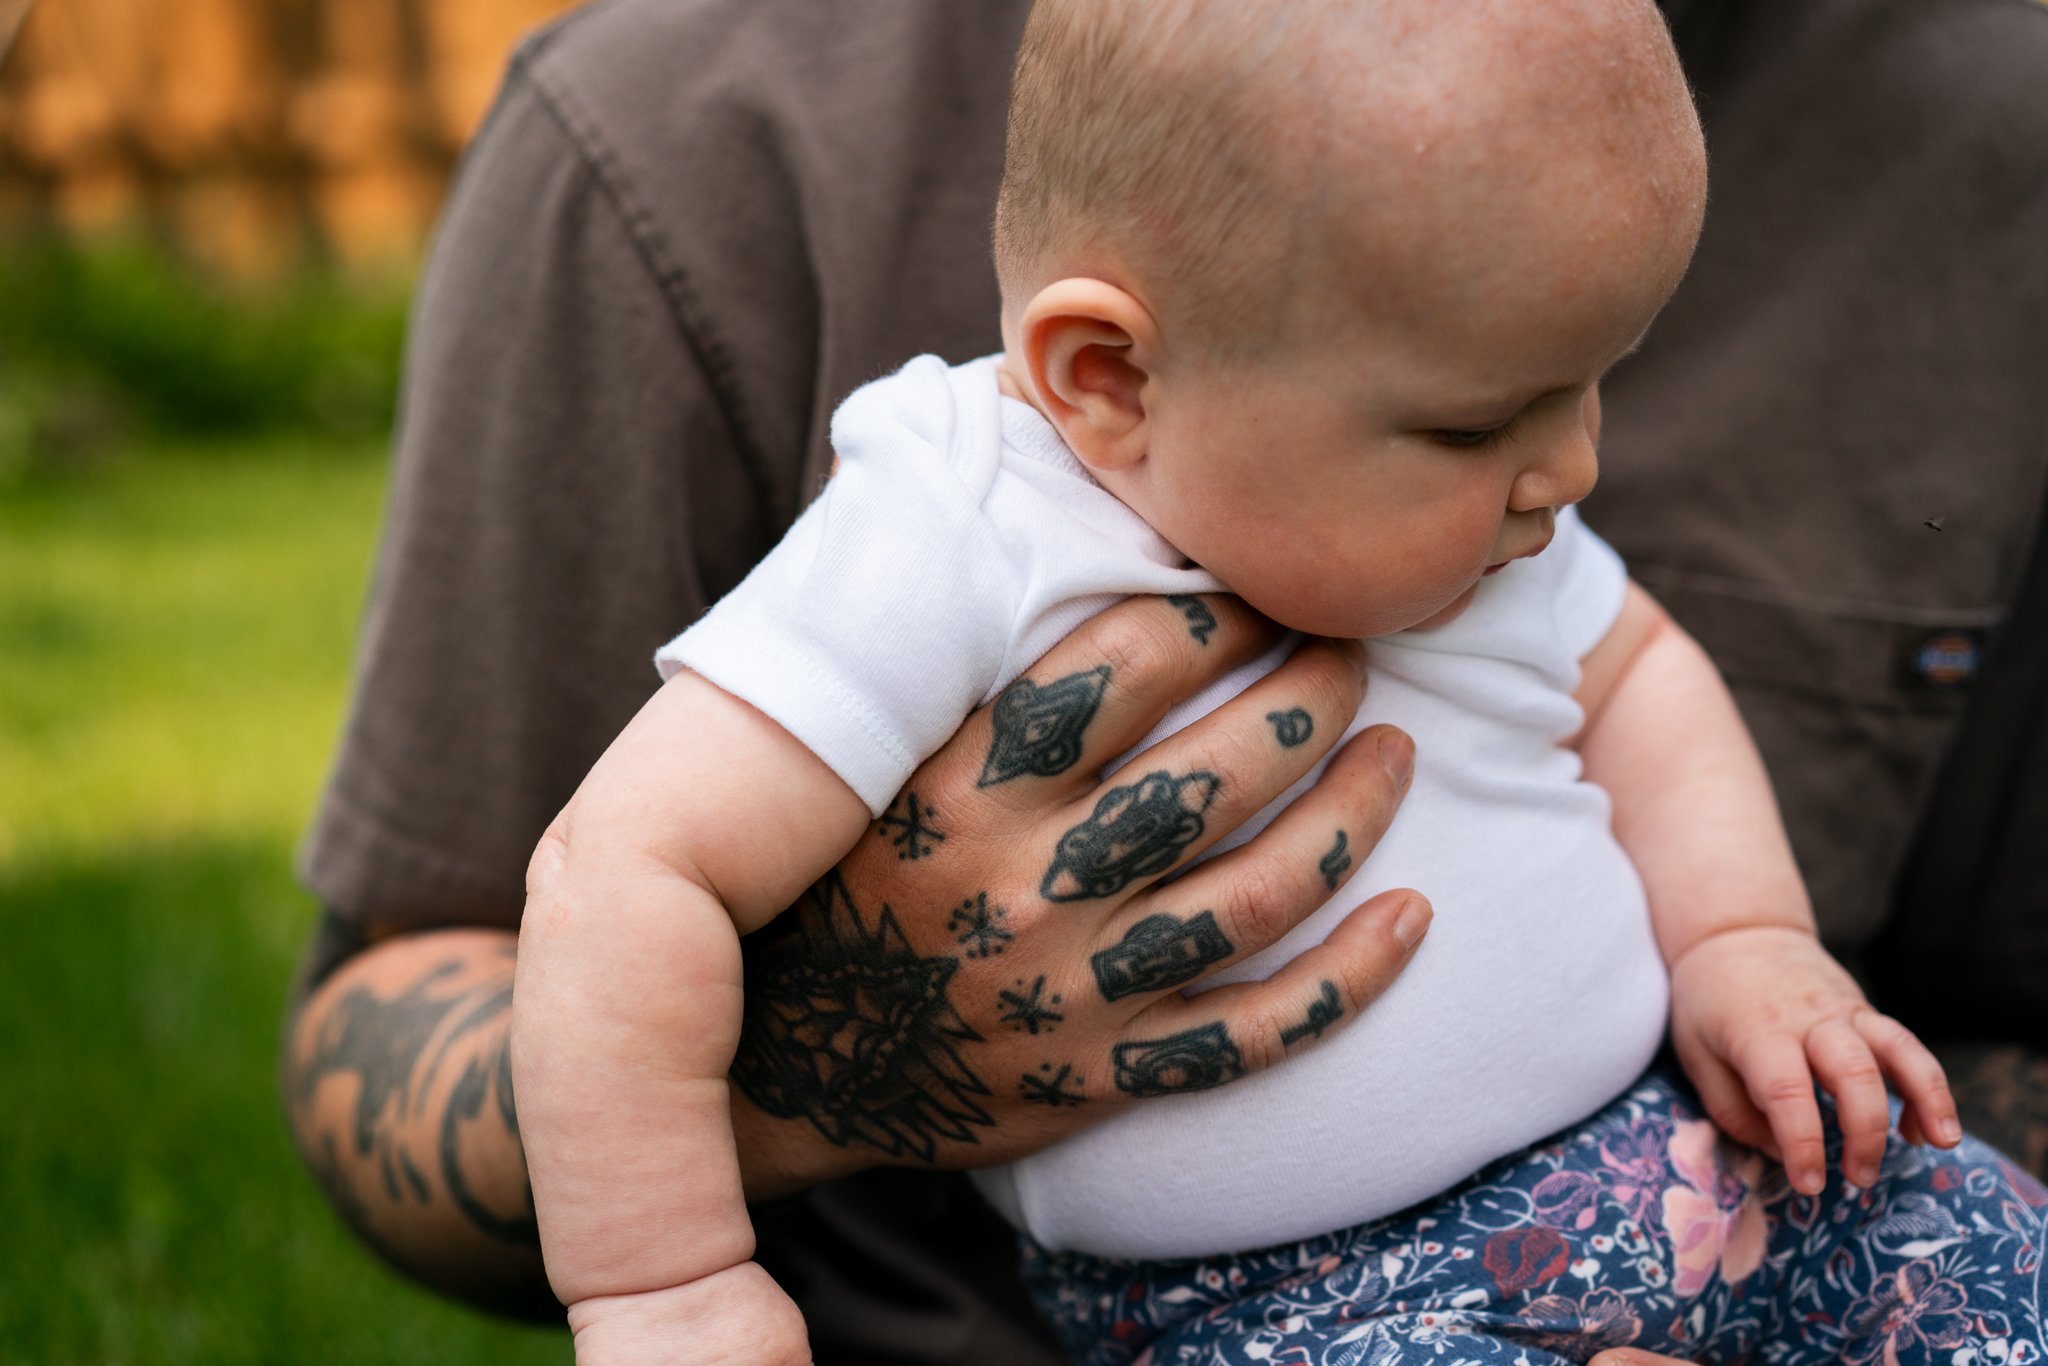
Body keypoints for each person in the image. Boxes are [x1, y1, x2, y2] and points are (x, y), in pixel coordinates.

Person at [285, 0, 2048, 1361]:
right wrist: (666, 1277)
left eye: (1594, 386)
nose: (1572, 467)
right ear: (1109, 374)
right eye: (1480, 420)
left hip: (1690, 1149)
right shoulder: (958, 533)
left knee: (1993, 1264)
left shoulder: (1483, 498)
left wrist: (1745, 939)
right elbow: (624, 871)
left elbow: (1643, 669)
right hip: (1302, 1305)